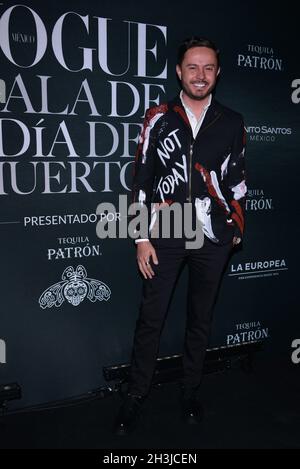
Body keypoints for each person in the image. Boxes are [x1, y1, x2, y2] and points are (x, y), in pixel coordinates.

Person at [114, 36, 247, 435]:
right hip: (167, 229)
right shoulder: (158, 116)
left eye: (208, 68)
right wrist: (140, 236)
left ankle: (191, 390)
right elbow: (140, 178)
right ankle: (135, 395)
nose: (200, 75)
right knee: (151, 319)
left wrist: (237, 226)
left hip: (214, 233)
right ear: (179, 71)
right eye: (193, 67)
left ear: (217, 73)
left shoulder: (232, 121)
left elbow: (238, 182)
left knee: (200, 320)